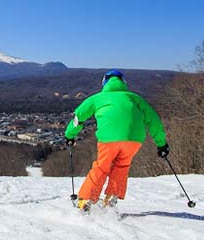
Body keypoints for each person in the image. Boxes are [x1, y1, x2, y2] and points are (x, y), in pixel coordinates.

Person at [64, 70, 169, 212]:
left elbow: (78, 119)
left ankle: (87, 199)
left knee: (102, 166)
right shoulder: (135, 98)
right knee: (122, 166)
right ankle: (112, 196)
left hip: (108, 139)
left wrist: (69, 135)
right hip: (133, 140)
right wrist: (161, 144)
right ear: (123, 82)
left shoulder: (97, 98)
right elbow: (154, 121)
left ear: (104, 82)